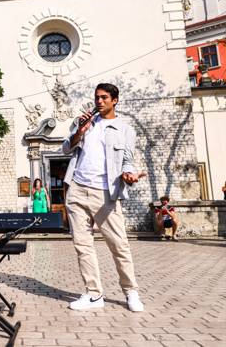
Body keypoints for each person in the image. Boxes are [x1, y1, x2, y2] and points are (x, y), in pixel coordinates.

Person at [62, 83, 144, 312]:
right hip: (77, 189)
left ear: (115, 100)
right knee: (83, 245)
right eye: (97, 97)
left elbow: (127, 159)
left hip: (105, 192)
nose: (99, 101)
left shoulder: (125, 129)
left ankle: (131, 292)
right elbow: (65, 149)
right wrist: (80, 130)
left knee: (119, 245)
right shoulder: (85, 123)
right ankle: (93, 294)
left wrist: (129, 174)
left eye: (104, 97)